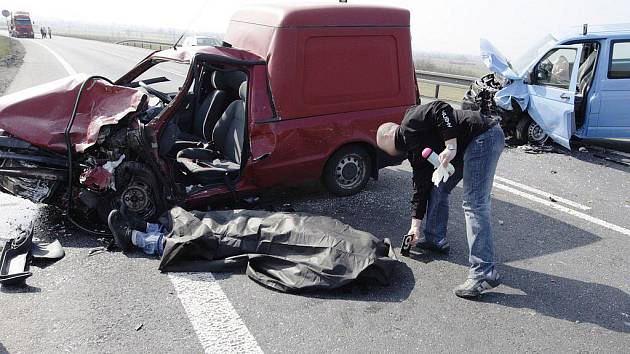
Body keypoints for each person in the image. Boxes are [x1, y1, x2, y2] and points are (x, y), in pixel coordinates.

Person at [376, 100, 504, 298]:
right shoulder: (414, 152)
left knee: (474, 204)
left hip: (482, 135)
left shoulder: (410, 120)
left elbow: (440, 108)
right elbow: (420, 188)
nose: (389, 154)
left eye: (385, 149)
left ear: (387, 135)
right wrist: (415, 226)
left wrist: (450, 145)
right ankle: (436, 238)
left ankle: (484, 271)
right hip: (468, 144)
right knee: (438, 186)